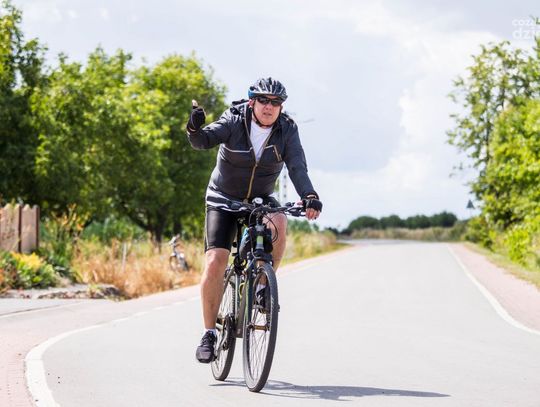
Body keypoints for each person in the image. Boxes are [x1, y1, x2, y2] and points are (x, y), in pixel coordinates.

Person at [186, 77, 322, 363]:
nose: (269, 107)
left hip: (259, 199)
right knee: (216, 260)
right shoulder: (234, 120)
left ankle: (262, 286)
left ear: (281, 106)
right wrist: (194, 128)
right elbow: (203, 141)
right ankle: (209, 334)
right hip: (223, 197)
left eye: (276, 102)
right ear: (252, 102)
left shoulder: (287, 129)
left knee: (279, 221)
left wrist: (309, 195)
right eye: (263, 101)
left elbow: (297, 166)